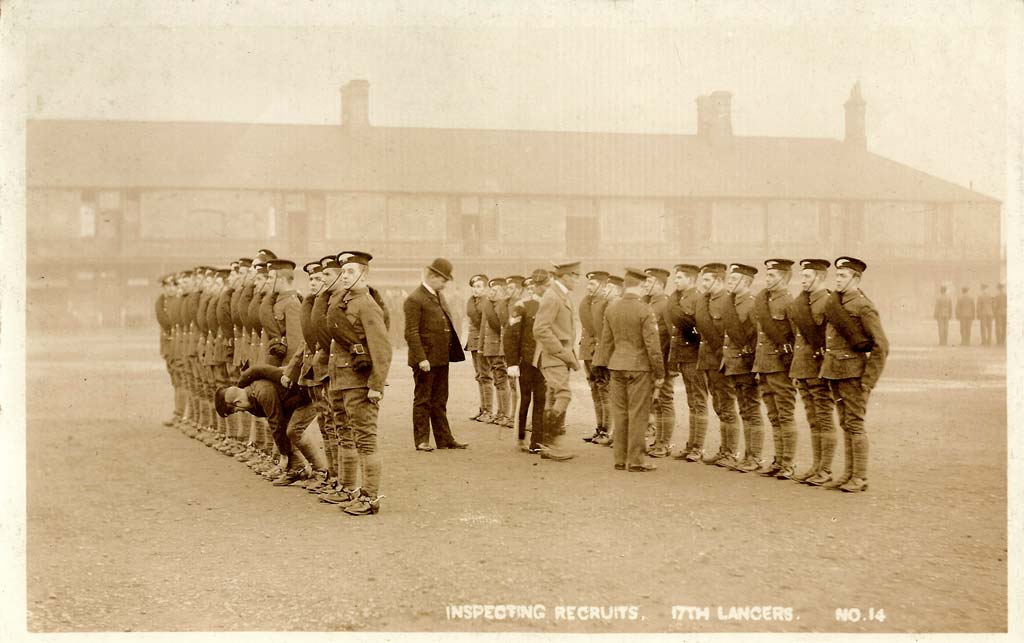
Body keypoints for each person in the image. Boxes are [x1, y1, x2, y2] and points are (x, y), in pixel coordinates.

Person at [324, 251, 393, 515]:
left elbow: (382, 348)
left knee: (365, 440)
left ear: (364, 274)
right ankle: (350, 488)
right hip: (341, 381)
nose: (345, 276)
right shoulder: (343, 303)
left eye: (351, 271)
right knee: (347, 434)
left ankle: (370, 497)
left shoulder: (366, 305)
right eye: (343, 272)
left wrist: (376, 385)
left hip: (359, 383)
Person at [820, 256, 888, 493]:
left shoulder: (863, 306)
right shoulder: (835, 302)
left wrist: (868, 381)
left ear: (856, 279)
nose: (838, 280)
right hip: (835, 372)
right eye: (837, 276)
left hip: (853, 375)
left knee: (855, 424)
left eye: (843, 276)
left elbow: (881, 345)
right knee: (845, 423)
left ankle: (860, 476)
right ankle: (848, 473)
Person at [592, 268, 665, 472]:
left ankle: (619, 459)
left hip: (616, 366)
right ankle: (636, 461)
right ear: (641, 286)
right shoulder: (645, 310)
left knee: (621, 413)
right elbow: (652, 346)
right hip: (640, 368)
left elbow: (605, 341)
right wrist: (659, 373)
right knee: (638, 414)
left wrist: (599, 365)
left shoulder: (612, 308)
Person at [215, 363, 328, 486]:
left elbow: (276, 423)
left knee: (294, 431)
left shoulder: (262, 393)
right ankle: (297, 469)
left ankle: (320, 472)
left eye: (237, 410)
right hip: (293, 400)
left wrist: (284, 454)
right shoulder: (249, 396)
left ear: (237, 402)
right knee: (286, 431)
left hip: (308, 394)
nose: (241, 412)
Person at [403, 258, 469, 451]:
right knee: (423, 400)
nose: (445, 283)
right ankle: (422, 440)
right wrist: (421, 358)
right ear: (432, 276)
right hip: (426, 360)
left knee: (440, 400)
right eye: (443, 279)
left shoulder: (437, 295)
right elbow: (411, 332)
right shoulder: (415, 299)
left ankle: (444, 439)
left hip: (440, 358)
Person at [787, 259, 838, 486]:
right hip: (803, 367)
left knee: (824, 418)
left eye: (807, 276)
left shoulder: (829, 302)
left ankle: (825, 469)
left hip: (820, 369)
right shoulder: (800, 303)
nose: (803, 280)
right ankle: (816, 466)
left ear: (820, 277)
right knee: (813, 419)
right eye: (802, 276)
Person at [532, 260, 583, 461]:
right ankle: (549, 442)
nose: (578, 281)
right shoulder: (553, 296)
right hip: (555, 356)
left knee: (553, 397)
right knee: (564, 395)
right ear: (567, 275)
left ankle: (547, 445)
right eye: (576, 276)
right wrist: (562, 352)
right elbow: (540, 329)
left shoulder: (560, 295)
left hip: (559, 356)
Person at [751, 259, 797, 479]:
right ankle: (778, 460)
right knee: (773, 415)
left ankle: (788, 463)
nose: (767, 279)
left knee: (785, 415)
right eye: (767, 275)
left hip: (780, 366)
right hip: (764, 364)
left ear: (784, 277)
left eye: (771, 275)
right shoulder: (763, 301)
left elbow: (796, 337)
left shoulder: (789, 303)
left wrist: (791, 365)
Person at [695, 263, 741, 468]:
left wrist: (726, 357)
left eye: (707, 280)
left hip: (722, 360)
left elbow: (732, 333)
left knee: (728, 405)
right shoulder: (704, 301)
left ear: (719, 281)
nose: (702, 284)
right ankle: (724, 449)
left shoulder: (726, 301)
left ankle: (731, 452)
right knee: (719, 405)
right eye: (702, 280)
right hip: (707, 360)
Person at [721, 263, 764, 472]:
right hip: (734, 364)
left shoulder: (751, 304)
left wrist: (755, 367)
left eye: (734, 279)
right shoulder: (732, 303)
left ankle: (754, 456)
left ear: (745, 282)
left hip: (747, 364)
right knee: (745, 410)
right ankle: (747, 455)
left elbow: (758, 338)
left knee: (752, 410)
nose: (729, 281)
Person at [667, 264, 709, 462]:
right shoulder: (679, 298)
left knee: (698, 401)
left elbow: (699, 329)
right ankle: (691, 444)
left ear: (691, 280)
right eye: (676, 278)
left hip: (695, 356)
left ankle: (698, 447)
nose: (676, 281)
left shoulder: (698, 298)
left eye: (680, 278)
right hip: (684, 356)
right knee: (692, 401)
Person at [505, 270, 549, 453]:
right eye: (529, 287)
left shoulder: (550, 304)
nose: (532, 290)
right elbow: (511, 336)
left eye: (535, 286)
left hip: (543, 361)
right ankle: (521, 436)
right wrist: (512, 363)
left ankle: (536, 442)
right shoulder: (521, 306)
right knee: (525, 399)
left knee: (541, 400)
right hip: (525, 360)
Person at [643, 267, 675, 458]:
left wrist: (669, 364)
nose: (646, 285)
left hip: (663, 360)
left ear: (660, 284)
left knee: (665, 400)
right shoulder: (648, 303)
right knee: (656, 403)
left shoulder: (666, 305)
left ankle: (664, 443)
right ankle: (658, 441)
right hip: (650, 361)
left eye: (649, 282)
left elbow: (672, 337)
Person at [579, 270, 610, 443]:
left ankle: (607, 430)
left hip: (600, 352)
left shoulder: (606, 303)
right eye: (588, 283)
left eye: (592, 284)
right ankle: (600, 428)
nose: (588, 287)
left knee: (604, 389)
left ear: (603, 285)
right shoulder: (587, 302)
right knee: (595, 390)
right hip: (587, 351)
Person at [481, 277, 513, 427]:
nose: (491, 293)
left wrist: (502, 349)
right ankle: (501, 412)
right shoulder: (491, 306)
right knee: (497, 379)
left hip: (499, 348)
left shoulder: (501, 306)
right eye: (491, 290)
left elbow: (503, 329)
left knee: (501, 380)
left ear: (502, 292)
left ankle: (505, 413)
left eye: (495, 290)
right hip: (491, 348)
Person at [465, 274, 492, 422]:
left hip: (483, 342)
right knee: (479, 376)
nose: (476, 290)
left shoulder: (487, 302)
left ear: (485, 288)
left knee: (485, 376)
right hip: (473, 343)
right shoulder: (471, 301)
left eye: (479, 287)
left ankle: (489, 410)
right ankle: (483, 409)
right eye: (474, 287)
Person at [995, 282, 1007, 346]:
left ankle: (999, 340)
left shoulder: (997, 296)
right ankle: (1003, 340)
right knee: (1004, 326)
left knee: (998, 326)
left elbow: (995, 305)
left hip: (998, 313)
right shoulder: (1005, 295)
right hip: (1005, 312)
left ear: (998, 288)